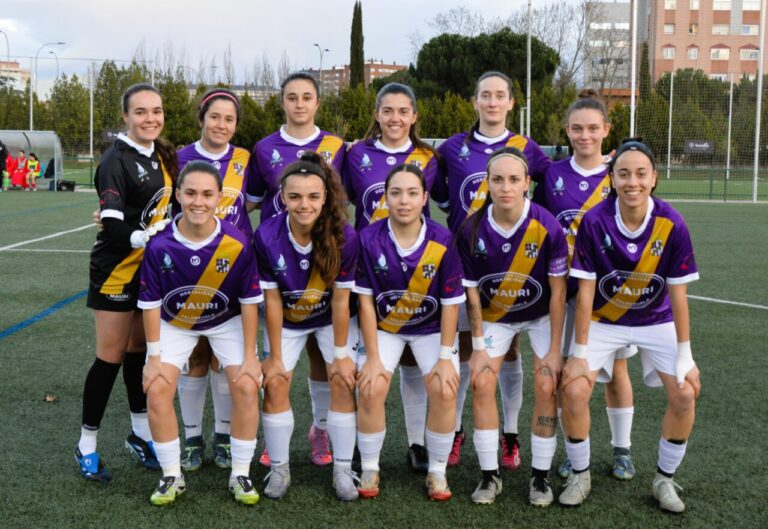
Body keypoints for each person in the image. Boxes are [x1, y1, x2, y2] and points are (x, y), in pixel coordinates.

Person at [559, 139, 701, 513]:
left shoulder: (672, 223)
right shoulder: (594, 220)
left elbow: (679, 296)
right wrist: (580, 353)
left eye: (641, 173)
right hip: (604, 320)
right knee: (573, 388)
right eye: (623, 174)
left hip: (656, 320)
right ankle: (580, 473)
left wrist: (685, 355)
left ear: (654, 178)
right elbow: (586, 292)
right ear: (612, 178)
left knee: (686, 392)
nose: (632, 182)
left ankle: (664, 480)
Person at [438, 71, 552, 469]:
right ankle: (455, 433)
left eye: (499, 95)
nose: (491, 102)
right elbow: (438, 196)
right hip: (466, 266)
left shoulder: (528, 148)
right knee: (469, 349)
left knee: (510, 350)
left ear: (510, 103)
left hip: (515, 265)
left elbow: (554, 186)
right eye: (484, 95)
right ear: (474, 101)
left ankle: (511, 435)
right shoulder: (453, 148)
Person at [139, 160, 263, 506]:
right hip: (174, 322)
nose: (198, 201)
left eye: (207, 194)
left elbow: (250, 301)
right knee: (157, 387)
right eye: (190, 193)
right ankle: (171, 475)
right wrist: (153, 359)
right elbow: (150, 305)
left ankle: (240, 472)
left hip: (225, 320)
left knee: (247, 384)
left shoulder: (237, 242)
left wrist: (252, 356)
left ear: (219, 197)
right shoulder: (160, 244)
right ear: (177, 195)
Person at [75, 83, 177, 483]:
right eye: (140, 112)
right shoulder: (115, 159)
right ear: (125, 117)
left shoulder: (161, 155)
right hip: (117, 270)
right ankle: (86, 444)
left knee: (138, 353)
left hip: (150, 272)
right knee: (110, 357)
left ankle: (140, 434)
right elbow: (115, 225)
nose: (150, 118)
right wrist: (146, 236)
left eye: (156, 111)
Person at [342, 82, 445, 472]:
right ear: (376, 114)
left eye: (403, 111)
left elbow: (445, 203)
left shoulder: (430, 157)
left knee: (414, 364)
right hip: (368, 269)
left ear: (414, 116)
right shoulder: (356, 154)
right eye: (387, 110)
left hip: (420, 270)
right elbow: (349, 198)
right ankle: (357, 444)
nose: (395, 118)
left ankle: (417, 443)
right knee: (364, 360)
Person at [536, 91, 638, 481]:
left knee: (618, 372)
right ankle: (572, 449)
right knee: (567, 374)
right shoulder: (552, 174)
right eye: (577, 128)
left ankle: (622, 450)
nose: (585, 135)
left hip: (609, 291)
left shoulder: (618, 172)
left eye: (593, 128)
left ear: (607, 130)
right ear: (567, 130)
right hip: (564, 289)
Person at [457, 147, 567, 506]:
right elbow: (472, 297)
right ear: (487, 184)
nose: (506, 187)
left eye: (514, 179)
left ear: (527, 185)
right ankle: (490, 476)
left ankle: (540, 478)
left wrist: (553, 350)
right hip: (494, 317)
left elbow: (557, 293)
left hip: (540, 315)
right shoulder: (471, 229)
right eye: (498, 179)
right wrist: (477, 346)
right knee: (482, 380)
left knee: (547, 381)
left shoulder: (547, 226)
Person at [247, 72, 346, 467]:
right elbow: (248, 202)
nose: (299, 104)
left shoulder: (339, 147)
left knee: (323, 359)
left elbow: (349, 199)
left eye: (307, 97)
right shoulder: (264, 147)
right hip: (279, 259)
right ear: (282, 102)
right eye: (292, 97)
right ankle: (276, 438)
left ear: (317, 103)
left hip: (324, 259)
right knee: (278, 361)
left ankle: (320, 428)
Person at [354, 163, 464, 501]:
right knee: (371, 387)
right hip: (385, 327)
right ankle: (371, 466)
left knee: (445, 389)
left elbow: (449, 304)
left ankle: (437, 472)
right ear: (385, 197)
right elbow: (367, 304)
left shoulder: (442, 238)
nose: (404, 200)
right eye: (396, 193)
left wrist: (445, 358)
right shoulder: (368, 239)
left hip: (431, 328)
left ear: (425, 198)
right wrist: (372, 358)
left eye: (412, 193)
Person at [252, 152, 358, 501]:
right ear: (282, 197)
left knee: (343, 378)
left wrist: (341, 354)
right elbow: (271, 300)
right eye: (295, 196)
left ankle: (343, 470)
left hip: (330, 317)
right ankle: (279, 469)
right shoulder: (266, 235)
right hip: (289, 319)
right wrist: (274, 356)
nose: (304, 204)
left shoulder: (346, 236)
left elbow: (342, 300)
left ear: (326, 197)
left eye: (313, 196)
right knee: (276, 380)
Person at [174, 88, 252, 472]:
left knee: (225, 359)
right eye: (215, 117)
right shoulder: (180, 157)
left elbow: (255, 203)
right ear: (202, 118)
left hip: (234, 269)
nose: (222, 125)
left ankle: (223, 434)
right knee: (194, 356)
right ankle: (191, 437)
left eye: (229, 119)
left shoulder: (245, 158)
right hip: (187, 270)